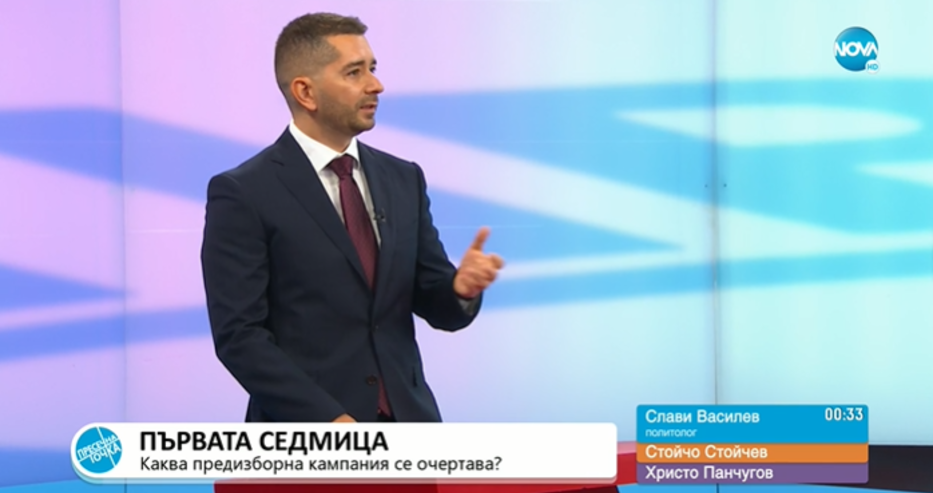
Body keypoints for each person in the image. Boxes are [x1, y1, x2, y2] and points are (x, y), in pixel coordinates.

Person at [200, 13, 503, 423]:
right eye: (354, 72)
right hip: (309, 436)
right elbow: (240, 337)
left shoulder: (403, 178)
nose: (375, 85)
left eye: (373, 68)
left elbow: (434, 302)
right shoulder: (244, 192)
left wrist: (459, 289)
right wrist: (329, 420)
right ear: (305, 92)